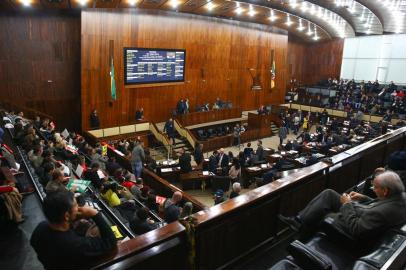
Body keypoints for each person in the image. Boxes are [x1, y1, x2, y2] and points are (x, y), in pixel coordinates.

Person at [279, 171, 406, 239]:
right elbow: (378, 204)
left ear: (385, 190)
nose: (373, 189)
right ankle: (299, 220)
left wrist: (347, 205)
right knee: (329, 193)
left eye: (376, 187)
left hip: (354, 223)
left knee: (324, 210)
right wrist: (364, 198)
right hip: (363, 211)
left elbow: (356, 229)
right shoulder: (399, 196)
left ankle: (304, 230)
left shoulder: (382, 212)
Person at [30, 191, 117, 270]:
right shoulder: (76, 245)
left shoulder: (40, 228)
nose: (78, 207)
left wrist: (73, 218)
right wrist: (95, 214)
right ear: (66, 215)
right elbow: (110, 241)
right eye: (75, 205)